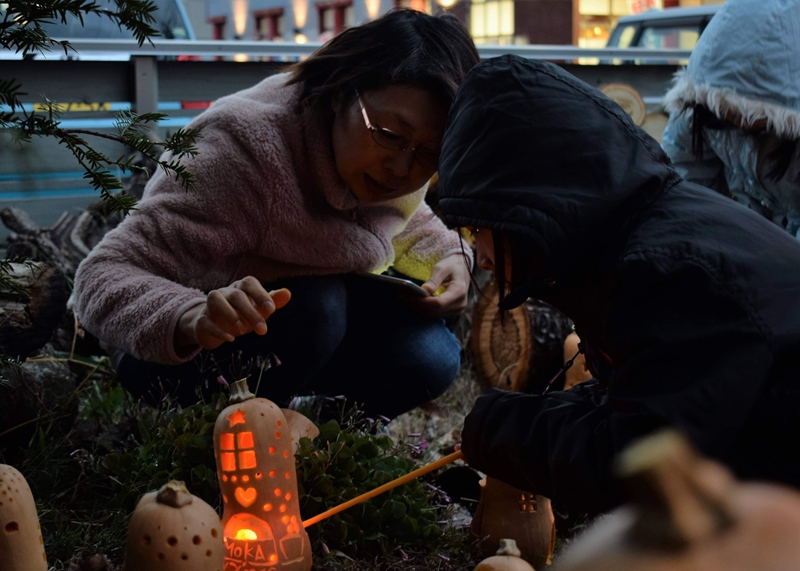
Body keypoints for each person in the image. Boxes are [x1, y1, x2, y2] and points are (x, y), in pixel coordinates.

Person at [436, 55, 800, 516]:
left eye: (477, 228)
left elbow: (640, 465)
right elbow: (642, 395)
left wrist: (497, 429)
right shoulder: (634, 234)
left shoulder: (663, 271)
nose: (481, 255)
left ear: (526, 201)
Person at [72, 10, 479, 417]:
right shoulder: (242, 152)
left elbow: (404, 222)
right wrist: (190, 314)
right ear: (342, 94)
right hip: (176, 354)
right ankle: (226, 433)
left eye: (430, 153)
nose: (402, 170)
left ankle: (321, 438)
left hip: (289, 340)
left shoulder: (379, 160)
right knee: (321, 305)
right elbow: (100, 273)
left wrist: (454, 260)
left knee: (433, 356)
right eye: (391, 136)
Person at [662, 0, 800, 237]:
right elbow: (683, 190)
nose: (741, 122)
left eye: (760, 116)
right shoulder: (700, 110)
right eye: (727, 108)